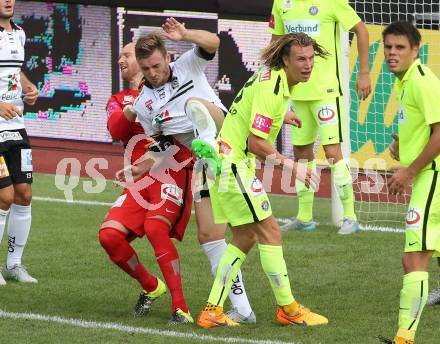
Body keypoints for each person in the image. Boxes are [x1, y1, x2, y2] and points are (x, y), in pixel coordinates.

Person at [122, 17, 256, 323]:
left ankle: (208, 145)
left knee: (194, 103)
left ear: (167, 57)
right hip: (202, 163)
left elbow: (213, 43)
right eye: (146, 69)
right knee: (209, 235)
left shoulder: (187, 65)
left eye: (157, 65)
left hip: (227, 138)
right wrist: (144, 165)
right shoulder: (144, 104)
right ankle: (243, 309)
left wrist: (185, 34)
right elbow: (162, 149)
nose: (153, 74)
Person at [196, 32, 329, 328]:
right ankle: (289, 310)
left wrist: (283, 115)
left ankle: (212, 311)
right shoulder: (274, 86)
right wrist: (292, 166)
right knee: (270, 231)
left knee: (245, 237)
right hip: (234, 165)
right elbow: (257, 143)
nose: (307, 65)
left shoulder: (273, 78)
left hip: (226, 162)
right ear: (286, 59)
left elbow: (250, 111)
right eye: (301, 59)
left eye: (310, 59)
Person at [100, 42, 196, 324]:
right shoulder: (118, 99)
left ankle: (181, 308)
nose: (121, 60)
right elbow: (116, 129)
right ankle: (152, 287)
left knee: (156, 228)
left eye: (126, 55)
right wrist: (136, 104)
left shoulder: (170, 88)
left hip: (171, 167)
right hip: (140, 176)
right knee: (109, 236)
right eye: (120, 55)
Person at [268, 0, 371, 234]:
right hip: (296, 92)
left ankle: (350, 217)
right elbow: (275, 44)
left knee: (333, 153)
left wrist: (364, 72)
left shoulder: (332, 2)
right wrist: (274, 83)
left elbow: (361, 30)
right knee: (302, 153)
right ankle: (305, 218)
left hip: (326, 93)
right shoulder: (281, 3)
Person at [377, 21, 440, 344]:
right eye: (388, 47)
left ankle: (404, 338)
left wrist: (410, 170)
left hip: (433, 177)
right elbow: (421, 125)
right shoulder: (404, 82)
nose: (392, 53)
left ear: (416, 50)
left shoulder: (422, 82)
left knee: (412, 258)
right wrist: (402, 142)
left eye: (400, 48)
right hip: (429, 174)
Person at [0, 0, 39, 286]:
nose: (8, 0)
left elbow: (16, 70)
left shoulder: (20, 33)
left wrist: (27, 85)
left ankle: (14, 265)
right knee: (4, 197)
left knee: (24, 194)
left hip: (17, 127)